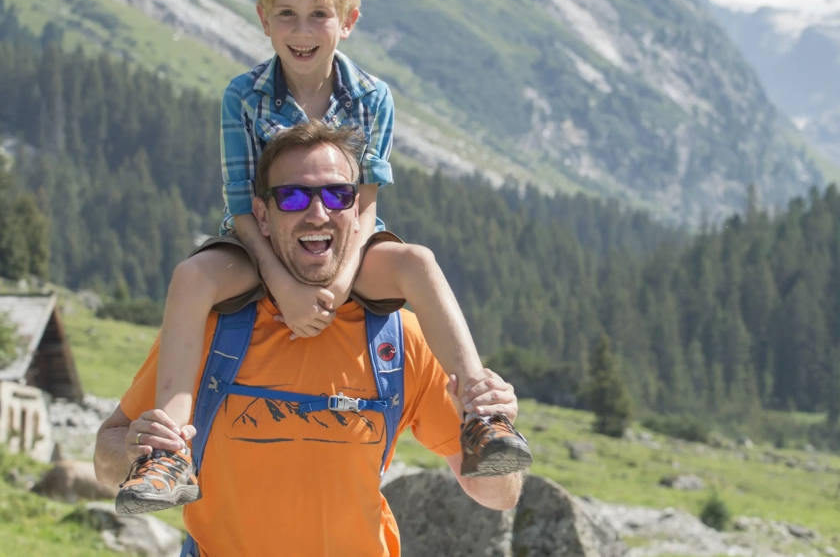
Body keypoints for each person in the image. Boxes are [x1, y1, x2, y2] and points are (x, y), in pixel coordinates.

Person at [115, 0, 531, 513]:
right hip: (259, 239)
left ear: (348, 19)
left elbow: (365, 203)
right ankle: (170, 451)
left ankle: (484, 415)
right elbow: (240, 205)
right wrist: (281, 285)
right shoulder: (243, 95)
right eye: (286, 14)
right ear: (264, 20)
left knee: (418, 262)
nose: (302, 30)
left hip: (348, 239)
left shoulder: (372, 96)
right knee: (192, 278)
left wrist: (337, 283)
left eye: (319, 15)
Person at [95, 122, 525, 556]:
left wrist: (484, 411)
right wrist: (135, 448)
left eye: (338, 195)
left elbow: (497, 495)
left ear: (358, 211)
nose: (317, 213)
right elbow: (105, 458)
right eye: (293, 196)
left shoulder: (399, 339)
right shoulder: (209, 329)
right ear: (261, 216)